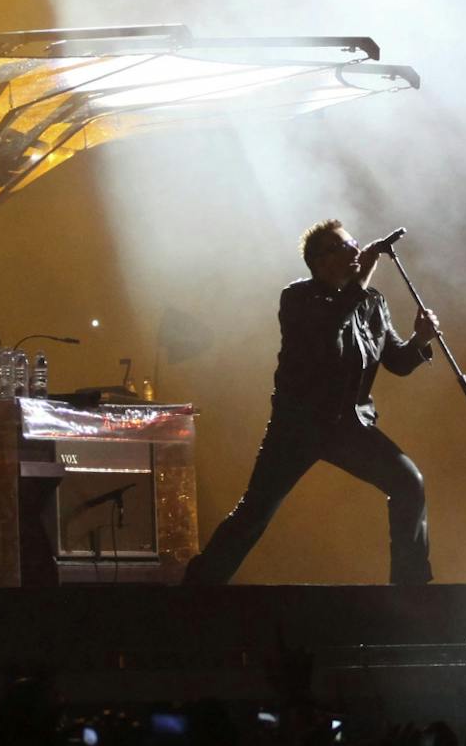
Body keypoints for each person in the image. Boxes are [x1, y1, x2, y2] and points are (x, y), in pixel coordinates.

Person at [182, 219, 441, 586]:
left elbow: (396, 362)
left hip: (349, 427)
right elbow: (327, 337)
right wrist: (360, 282)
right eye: (344, 246)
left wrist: (419, 340)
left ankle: (410, 586)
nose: (356, 250)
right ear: (321, 262)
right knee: (255, 511)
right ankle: (198, 586)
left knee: (408, 482)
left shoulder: (372, 302)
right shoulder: (299, 298)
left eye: (354, 242)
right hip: (298, 427)